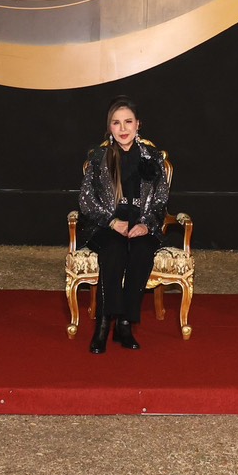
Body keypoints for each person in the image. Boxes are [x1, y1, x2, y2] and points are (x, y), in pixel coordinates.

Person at [76, 96, 170, 354]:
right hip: (105, 226)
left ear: (138, 124)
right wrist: (112, 221)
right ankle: (103, 324)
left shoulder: (153, 157)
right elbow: (85, 200)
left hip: (141, 224)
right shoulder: (99, 157)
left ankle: (125, 324)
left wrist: (146, 225)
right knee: (114, 250)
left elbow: (161, 199)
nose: (123, 128)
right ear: (110, 127)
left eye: (128, 122)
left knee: (141, 251)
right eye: (116, 123)